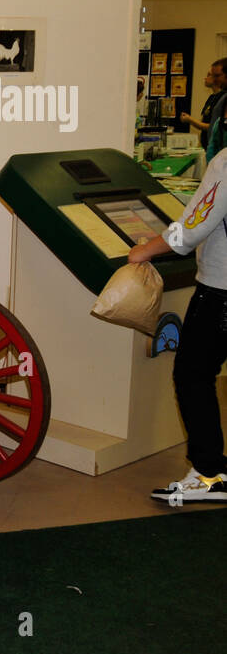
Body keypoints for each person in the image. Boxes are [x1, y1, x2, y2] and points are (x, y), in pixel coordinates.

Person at [130, 146, 227, 502]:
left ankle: (209, 475)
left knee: (192, 375)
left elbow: (193, 225)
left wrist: (145, 251)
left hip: (221, 291)